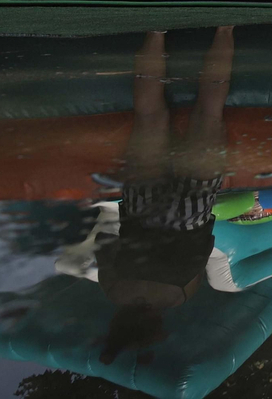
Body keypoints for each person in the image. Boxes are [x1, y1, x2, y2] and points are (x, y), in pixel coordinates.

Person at [97, 27, 234, 365]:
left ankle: (224, 27)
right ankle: (157, 30)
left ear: (154, 323)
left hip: (190, 216)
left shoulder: (180, 296)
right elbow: (105, 241)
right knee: (149, 116)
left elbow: (202, 247)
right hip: (143, 210)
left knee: (209, 113)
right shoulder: (114, 290)